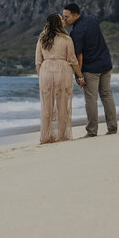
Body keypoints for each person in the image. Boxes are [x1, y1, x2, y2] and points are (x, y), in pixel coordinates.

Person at [62, 3, 117, 137]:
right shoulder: (92, 19)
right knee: (107, 95)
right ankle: (112, 127)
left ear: (76, 15)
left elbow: (78, 56)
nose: (65, 20)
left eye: (67, 17)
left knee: (91, 99)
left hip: (91, 68)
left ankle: (92, 131)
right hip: (105, 63)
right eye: (64, 17)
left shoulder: (77, 32)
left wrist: (78, 75)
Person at [34, 13, 84, 144]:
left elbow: (38, 62)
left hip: (46, 70)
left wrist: (41, 76)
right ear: (58, 23)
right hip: (63, 70)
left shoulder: (41, 39)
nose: (64, 20)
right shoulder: (66, 39)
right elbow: (73, 60)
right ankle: (62, 136)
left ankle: (46, 136)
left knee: (46, 107)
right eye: (61, 19)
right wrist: (80, 75)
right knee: (63, 105)